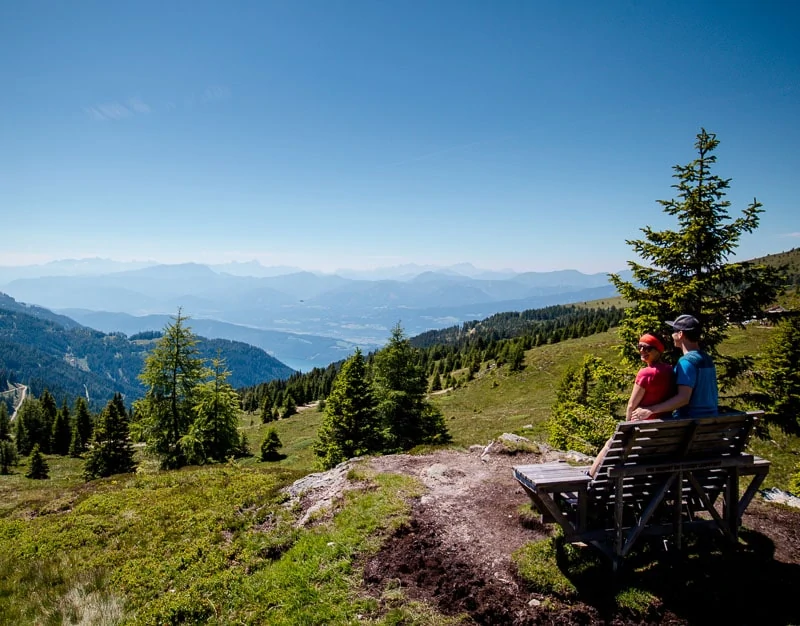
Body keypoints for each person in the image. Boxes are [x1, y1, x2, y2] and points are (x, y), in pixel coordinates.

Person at [588, 332, 674, 476]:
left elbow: (631, 405)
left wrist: (626, 427)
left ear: (658, 350)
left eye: (647, 348)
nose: (642, 351)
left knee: (610, 445)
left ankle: (590, 476)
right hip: (662, 430)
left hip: (642, 430)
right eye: (640, 346)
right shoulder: (670, 370)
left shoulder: (645, 373)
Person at [631, 314, 718, 420]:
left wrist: (650, 410)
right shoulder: (707, 358)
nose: (672, 335)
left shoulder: (686, 362)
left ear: (680, 334)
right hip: (711, 420)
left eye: (674, 331)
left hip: (690, 421)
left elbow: (683, 398)